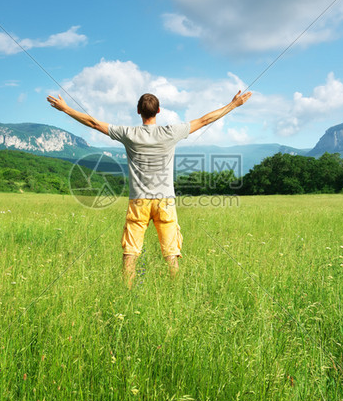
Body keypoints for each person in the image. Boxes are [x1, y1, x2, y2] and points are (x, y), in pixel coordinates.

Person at [47, 90, 252, 287]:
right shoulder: (170, 132)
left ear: (138, 111)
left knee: (130, 253)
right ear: (159, 111)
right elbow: (205, 120)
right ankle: (176, 291)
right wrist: (234, 104)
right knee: (171, 254)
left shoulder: (129, 134)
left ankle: (127, 290)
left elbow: (93, 123)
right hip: (165, 201)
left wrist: (65, 108)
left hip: (139, 202)